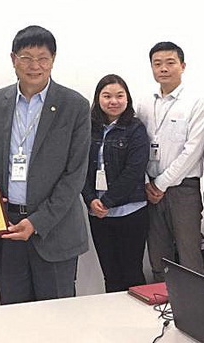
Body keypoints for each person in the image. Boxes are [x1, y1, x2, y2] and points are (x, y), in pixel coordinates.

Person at [0, 25, 91, 305]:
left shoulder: (74, 105)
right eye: (26, 58)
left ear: (53, 60)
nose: (34, 66)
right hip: (6, 228)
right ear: (13, 59)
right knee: (14, 316)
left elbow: (74, 175)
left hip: (55, 231)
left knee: (56, 319)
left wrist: (37, 222)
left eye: (43, 58)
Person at [137, 41, 204, 282]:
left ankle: (196, 305)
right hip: (150, 189)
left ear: (183, 66)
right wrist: (148, 182)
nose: (163, 68)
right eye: (157, 63)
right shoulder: (144, 103)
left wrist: (161, 184)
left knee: (190, 257)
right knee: (158, 257)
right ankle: (163, 303)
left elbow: (193, 151)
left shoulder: (196, 103)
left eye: (170, 62)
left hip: (183, 190)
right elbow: (138, 146)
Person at [82, 74, 149, 293]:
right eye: (107, 96)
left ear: (127, 98)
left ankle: (136, 315)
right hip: (97, 213)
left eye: (119, 96)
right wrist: (90, 200)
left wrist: (107, 201)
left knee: (132, 274)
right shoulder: (88, 128)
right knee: (110, 275)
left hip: (130, 211)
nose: (113, 101)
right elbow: (79, 168)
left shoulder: (135, 129)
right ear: (98, 98)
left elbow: (134, 171)